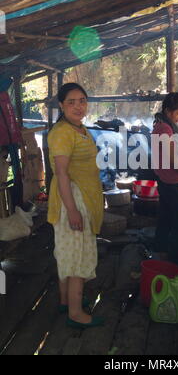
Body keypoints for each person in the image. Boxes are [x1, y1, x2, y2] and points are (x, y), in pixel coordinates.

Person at [47, 83, 104, 329]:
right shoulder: (62, 132)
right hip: (72, 199)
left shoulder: (78, 128)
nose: (78, 106)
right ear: (61, 105)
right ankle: (76, 313)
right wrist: (72, 210)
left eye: (82, 100)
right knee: (78, 257)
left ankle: (64, 301)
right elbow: (61, 173)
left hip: (81, 197)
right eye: (71, 102)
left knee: (68, 253)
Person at [152, 92, 178, 265]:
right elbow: (172, 160)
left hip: (166, 180)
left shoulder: (162, 125)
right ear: (168, 111)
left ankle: (161, 253)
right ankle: (175, 261)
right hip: (171, 182)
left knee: (166, 218)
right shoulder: (164, 128)